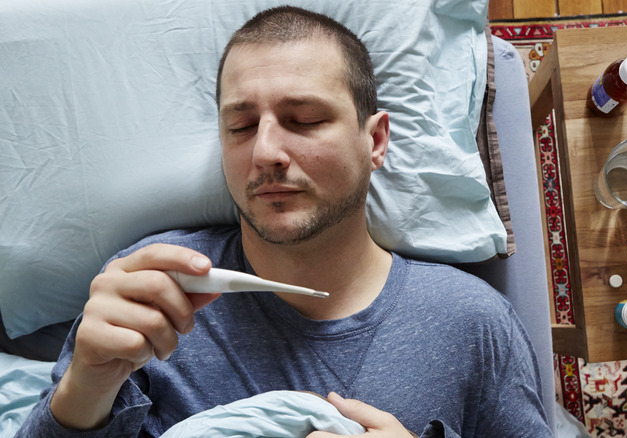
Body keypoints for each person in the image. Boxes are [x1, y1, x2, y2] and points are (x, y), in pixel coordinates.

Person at [17, 6, 551, 437]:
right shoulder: (152, 289)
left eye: (305, 120)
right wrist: (83, 390)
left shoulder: (473, 325)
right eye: (242, 126)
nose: (266, 150)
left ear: (376, 141)